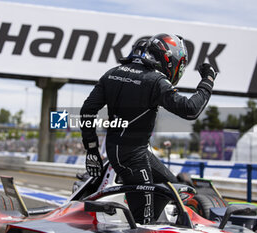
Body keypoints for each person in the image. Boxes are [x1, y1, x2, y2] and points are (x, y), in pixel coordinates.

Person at [80, 33, 217, 224]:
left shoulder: (112, 73)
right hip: (132, 156)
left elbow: (87, 111)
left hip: (125, 151)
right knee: (143, 220)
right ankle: (144, 223)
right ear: (170, 60)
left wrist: (92, 149)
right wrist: (207, 81)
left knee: (172, 187)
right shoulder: (155, 81)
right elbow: (190, 109)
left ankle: (151, 221)